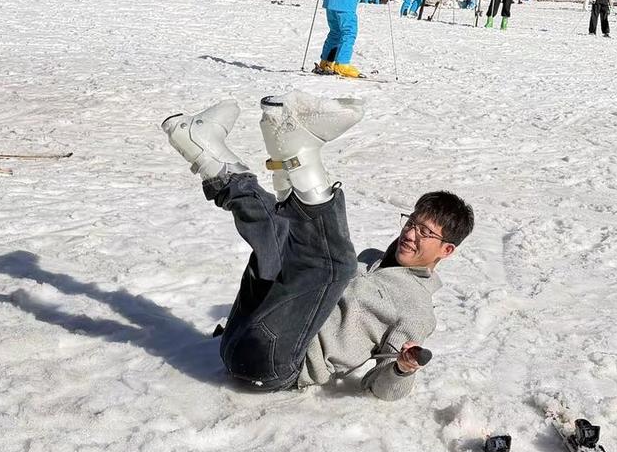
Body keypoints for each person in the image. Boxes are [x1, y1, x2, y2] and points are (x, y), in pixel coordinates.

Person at [162, 92, 472, 397]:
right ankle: (207, 152)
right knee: (283, 231)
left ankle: (299, 155)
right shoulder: (371, 259)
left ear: (447, 250)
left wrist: (402, 369)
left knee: (337, 266)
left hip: (276, 365)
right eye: (411, 223)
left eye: (425, 233)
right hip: (239, 336)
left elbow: (381, 388)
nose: (410, 233)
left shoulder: (416, 309)